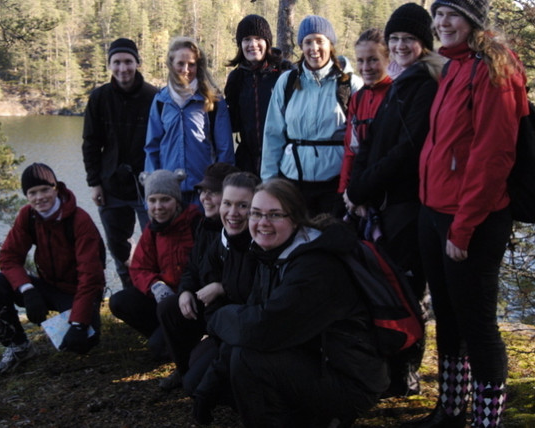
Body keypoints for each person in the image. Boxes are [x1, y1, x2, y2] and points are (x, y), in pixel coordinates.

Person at [414, 0, 528, 428]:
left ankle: (486, 420)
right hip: (435, 210)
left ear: (474, 20)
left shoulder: (494, 69)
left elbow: (492, 158)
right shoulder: (455, 65)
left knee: (478, 325)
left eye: (453, 14)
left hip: (472, 220)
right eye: (439, 13)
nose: (443, 22)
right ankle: (451, 409)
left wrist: (463, 228)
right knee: (447, 316)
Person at [207, 179, 388, 427]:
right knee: (223, 372)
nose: (262, 223)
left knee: (247, 358)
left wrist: (216, 318)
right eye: (256, 214)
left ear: (295, 219)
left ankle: (324, 418)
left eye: (274, 215)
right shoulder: (271, 252)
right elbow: (251, 316)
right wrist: (209, 385)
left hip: (351, 379)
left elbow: (262, 328)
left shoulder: (315, 265)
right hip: (314, 358)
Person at [345, 3, 444, 398]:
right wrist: (354, 189)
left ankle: (406, 372)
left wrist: (362, 188)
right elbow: (369, 144)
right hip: (383, 204)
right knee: (383, 285)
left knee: (407, 289)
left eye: (409, 39)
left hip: (408, 204)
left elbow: (407, 149)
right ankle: (388, 368)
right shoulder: (401, 82)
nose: (401, 46)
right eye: (396, 39)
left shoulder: (426, 84)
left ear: (424, 42)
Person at [0, 163, 106, 375]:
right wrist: (27, 290)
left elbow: (90, 276)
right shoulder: (28, 216)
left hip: (78, 292)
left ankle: (78, 322)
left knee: (85, 342)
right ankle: (18, 347)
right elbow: (9, 257)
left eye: (45, 190)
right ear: (26, 196)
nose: (39, 197)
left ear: (56, 188)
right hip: (48, 286)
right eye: (32, 193)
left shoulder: (79, 220)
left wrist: (79, 323)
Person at [260, 15, 362, 216]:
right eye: (308, 42)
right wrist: (269, 183)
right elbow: (273, 135)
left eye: (319, 41)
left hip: (335, 185)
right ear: (301, 46)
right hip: (292, 182)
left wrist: (356, 187)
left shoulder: (349, 84)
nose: (314, 48)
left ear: (330, 44)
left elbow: (361, 141)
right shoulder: (287, 82)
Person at [82, 38, 158, 289]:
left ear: (137, 63)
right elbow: (91, 143)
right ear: (110, 65)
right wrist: (94, 183)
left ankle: (155, 290)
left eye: (128, 61)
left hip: (147, 186)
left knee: (155, 243)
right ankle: (130, 292)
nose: (122, 68)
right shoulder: (99, 98)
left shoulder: (154, 97)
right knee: (118, 247)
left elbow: (162, 142)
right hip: (111, 184)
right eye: (116, 62)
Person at [156, 162, 240, 390]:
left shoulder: (239, 229)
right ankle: (182, 370)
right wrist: (185, 290)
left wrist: (221, 287)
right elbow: (192, 266)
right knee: (168, 308)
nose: (204, 198)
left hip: (228, 308)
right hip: (203, 302)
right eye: (203, 192)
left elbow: (246, 279)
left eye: (213, 193)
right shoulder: (204, 225)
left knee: (198, 378)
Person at [108, 169, 202, 360]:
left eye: (165, 200)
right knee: (119, 301)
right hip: (164, 297)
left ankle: (184, 341)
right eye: (152, 200)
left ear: (177, 200)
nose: (158, 207)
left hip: (191, 300)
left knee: (159, 347)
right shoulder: (152, 229)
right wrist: (155, 285)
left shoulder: (195, 224)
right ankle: (166, 336)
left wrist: (186, 291)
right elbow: (139, 268)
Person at [145, 37, 235, 205]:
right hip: (169, 192)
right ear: (171, 64)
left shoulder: (212, 100)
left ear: (198, 66)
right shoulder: (161, 101)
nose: (186, 70)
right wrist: (153, 187)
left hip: (203, 191)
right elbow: (152, 148)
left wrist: (219, 187)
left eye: (191, 64)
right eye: (180, 63)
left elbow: (225, 149)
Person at [224, 14, 291, 173]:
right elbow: (232, 122)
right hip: (247, 162)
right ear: (240, 44)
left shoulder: (284, 73)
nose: (252, 45)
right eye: (247, 39)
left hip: (282, 160)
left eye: (258, 38)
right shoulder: (237, 78)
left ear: (267, 42)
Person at [338, 28, 393, 194]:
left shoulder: (397, 94)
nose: (365, 67)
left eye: (373, 60)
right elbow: (351, 151)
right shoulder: (358, 98)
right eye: (360, 61)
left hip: (388, 190)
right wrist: (344, 190)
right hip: (358, 188)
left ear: (388, 59)